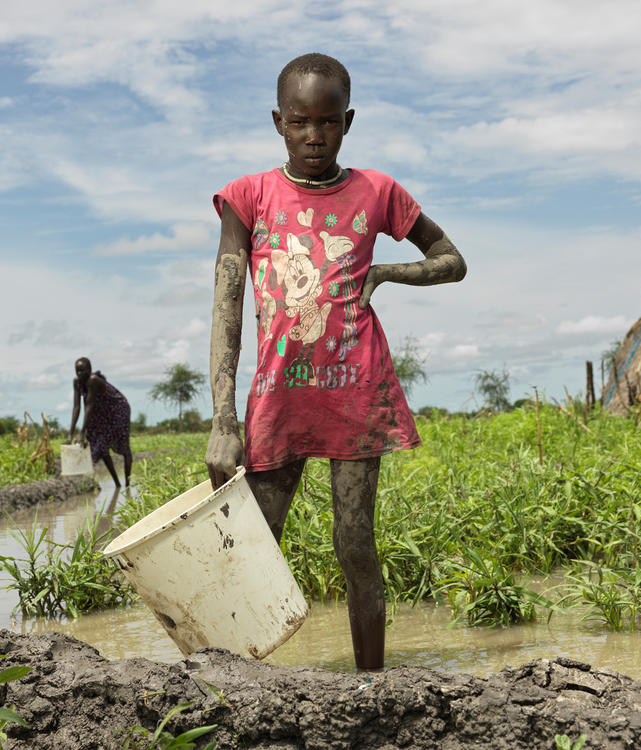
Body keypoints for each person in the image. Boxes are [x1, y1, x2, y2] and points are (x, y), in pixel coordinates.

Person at [205, 53, 467, 672]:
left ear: (348, 121)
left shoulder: (377, 192)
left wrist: (385, 271)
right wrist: (223, 417)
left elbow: (451, 259)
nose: (314, 136)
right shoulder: (248, 197)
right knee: (255, 548)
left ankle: (371, 687)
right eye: (299, 122)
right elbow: (226, 307)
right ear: (278, 122)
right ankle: (243, 686)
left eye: (327, 122)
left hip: (355, 396)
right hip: (278, 399)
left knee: (355, 546)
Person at [68, 357, 133, 487]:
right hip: (101, 411)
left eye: (82, 370)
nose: (79, 374)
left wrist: (81, 433)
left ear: (89, 370)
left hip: (117, 409)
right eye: (77, 371)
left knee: (124, 447)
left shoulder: (93, 380)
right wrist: (70, 434)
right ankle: (117, 484)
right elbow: (77, 407)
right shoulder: (76, 382)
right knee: (102, 447)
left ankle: (127, 484)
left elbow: (89, 405)